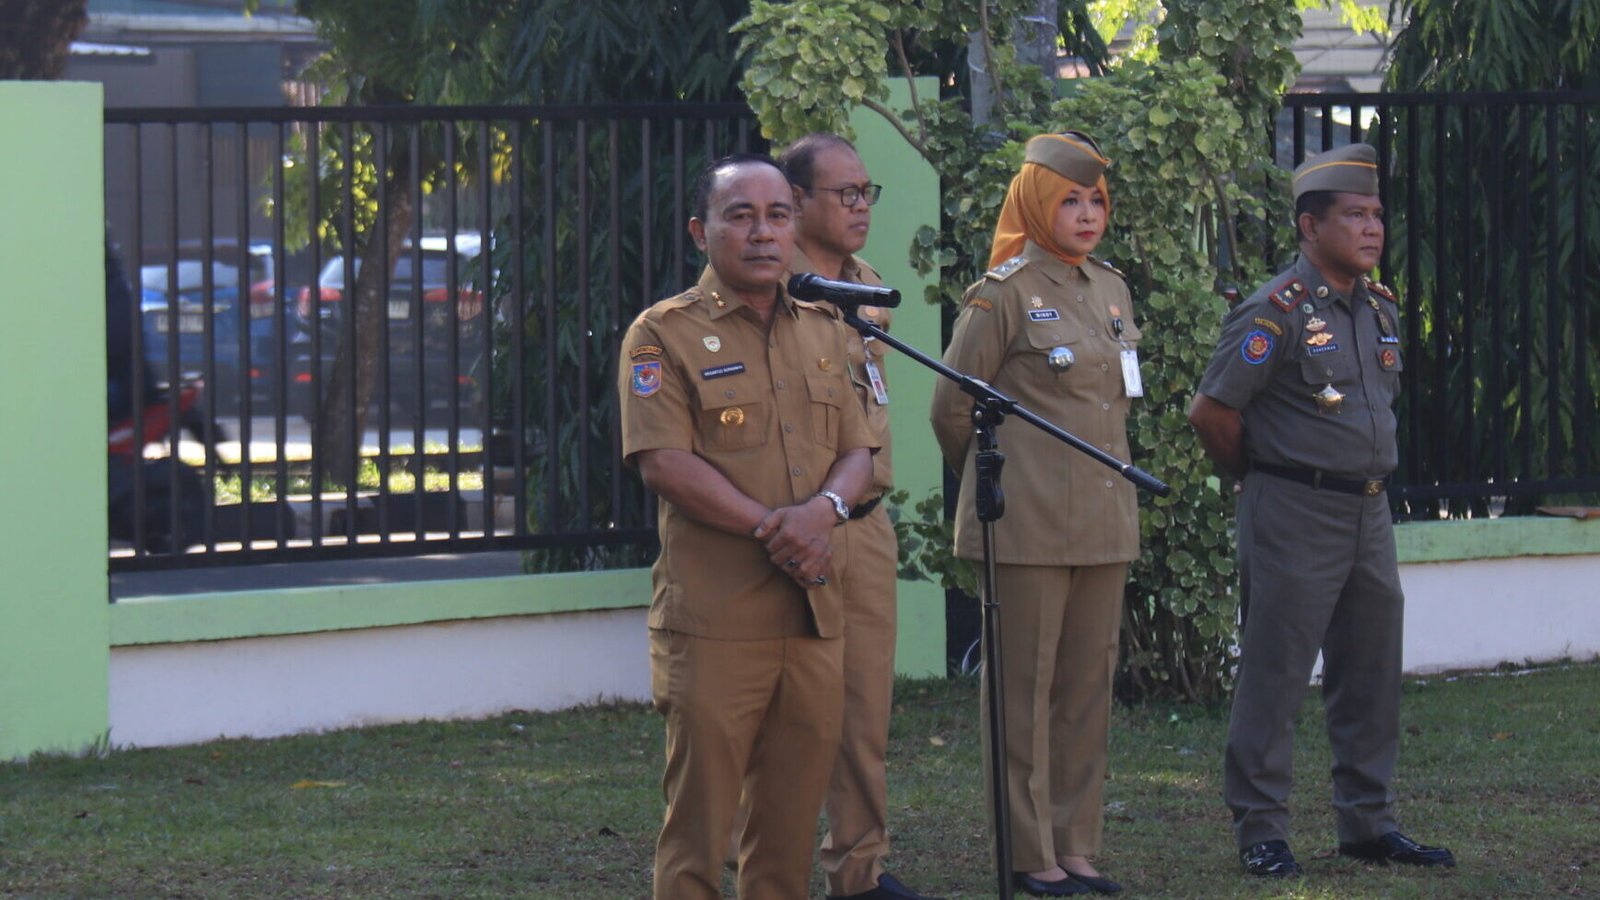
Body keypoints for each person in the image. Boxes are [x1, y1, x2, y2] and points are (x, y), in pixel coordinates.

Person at [1187, 143, 1456, 878]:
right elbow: (1211, 411)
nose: (1372, 229)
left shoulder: (1379, 307)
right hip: (1293, 508)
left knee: (1369, 671)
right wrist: (1261, 477)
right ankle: (1261, 829)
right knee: (1276, 672)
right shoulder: (1274, 312)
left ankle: (1368, 822)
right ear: (1311, 226)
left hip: (1368, 512)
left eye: (1376, 215)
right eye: (1355, 216)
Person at [617, 153, 878, 900]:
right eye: (741, 216)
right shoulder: (659, 334)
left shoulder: (827, 328)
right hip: (717, 618)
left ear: (796, 227)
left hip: (812, 615)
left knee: (790, 830)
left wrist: (824, 513)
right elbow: (664, 462)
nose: (763, 233)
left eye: (777, 216)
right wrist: (779, 527)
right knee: (701, 829)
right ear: (703, 231)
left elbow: (860, 448)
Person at [930, 132, 1139, 897]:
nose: (1086, 215)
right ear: (1035, 207)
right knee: (1023, 694)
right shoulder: (1003, 293)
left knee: (1087, 688)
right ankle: (1030, 854)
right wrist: (997, 491)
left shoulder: (1110, 288)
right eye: (1070, 201)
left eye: (1095, 202)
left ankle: (1077, 846)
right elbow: (952, 406)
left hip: (1104, 524)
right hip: (1024, 527)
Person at [776, 133, 939, 900]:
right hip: (795, 524)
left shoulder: (869, 283)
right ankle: (771, 865)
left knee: (865, 709)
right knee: (787, 714)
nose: (860, 206)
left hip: (865, 521)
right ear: (797, 201)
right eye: (843, 193)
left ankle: (860, 869)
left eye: (866, 192)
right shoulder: (772, 289)